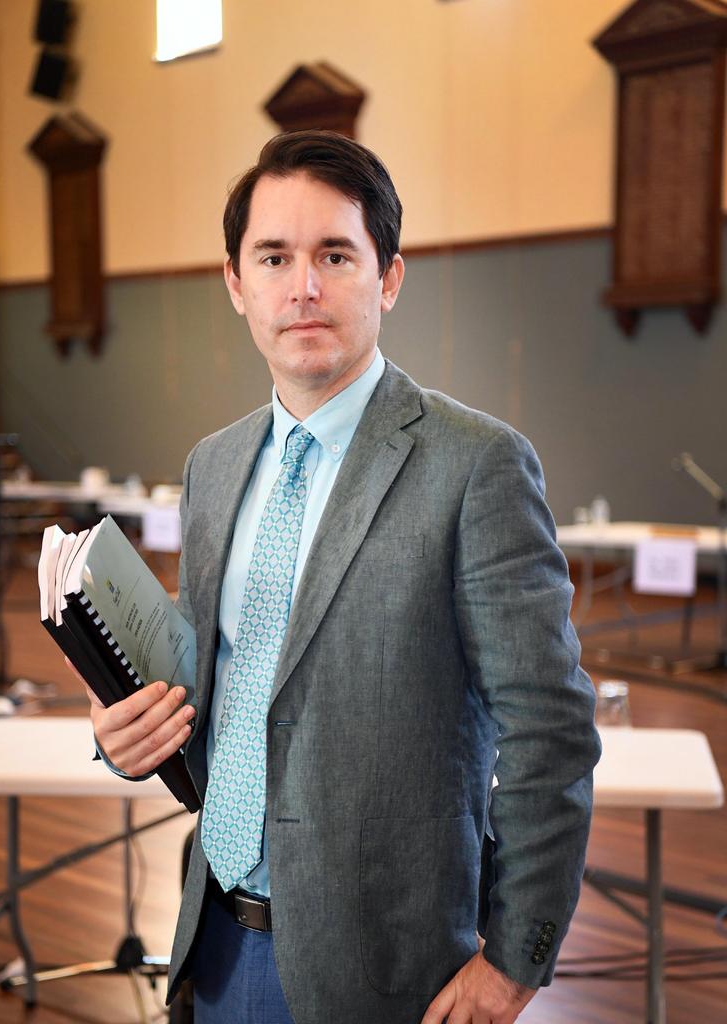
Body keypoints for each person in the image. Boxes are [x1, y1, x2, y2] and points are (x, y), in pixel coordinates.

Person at [83, 130, 601, 1024]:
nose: (305, 287)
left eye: (335, 254)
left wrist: (514, 966)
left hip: (391, 968)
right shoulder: (213, 466)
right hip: (209, 938)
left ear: (388, 277)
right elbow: (222, 692)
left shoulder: (475, 466)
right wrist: (125, 729)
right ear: (237, 283)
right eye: (275, 257)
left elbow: (552, 731)